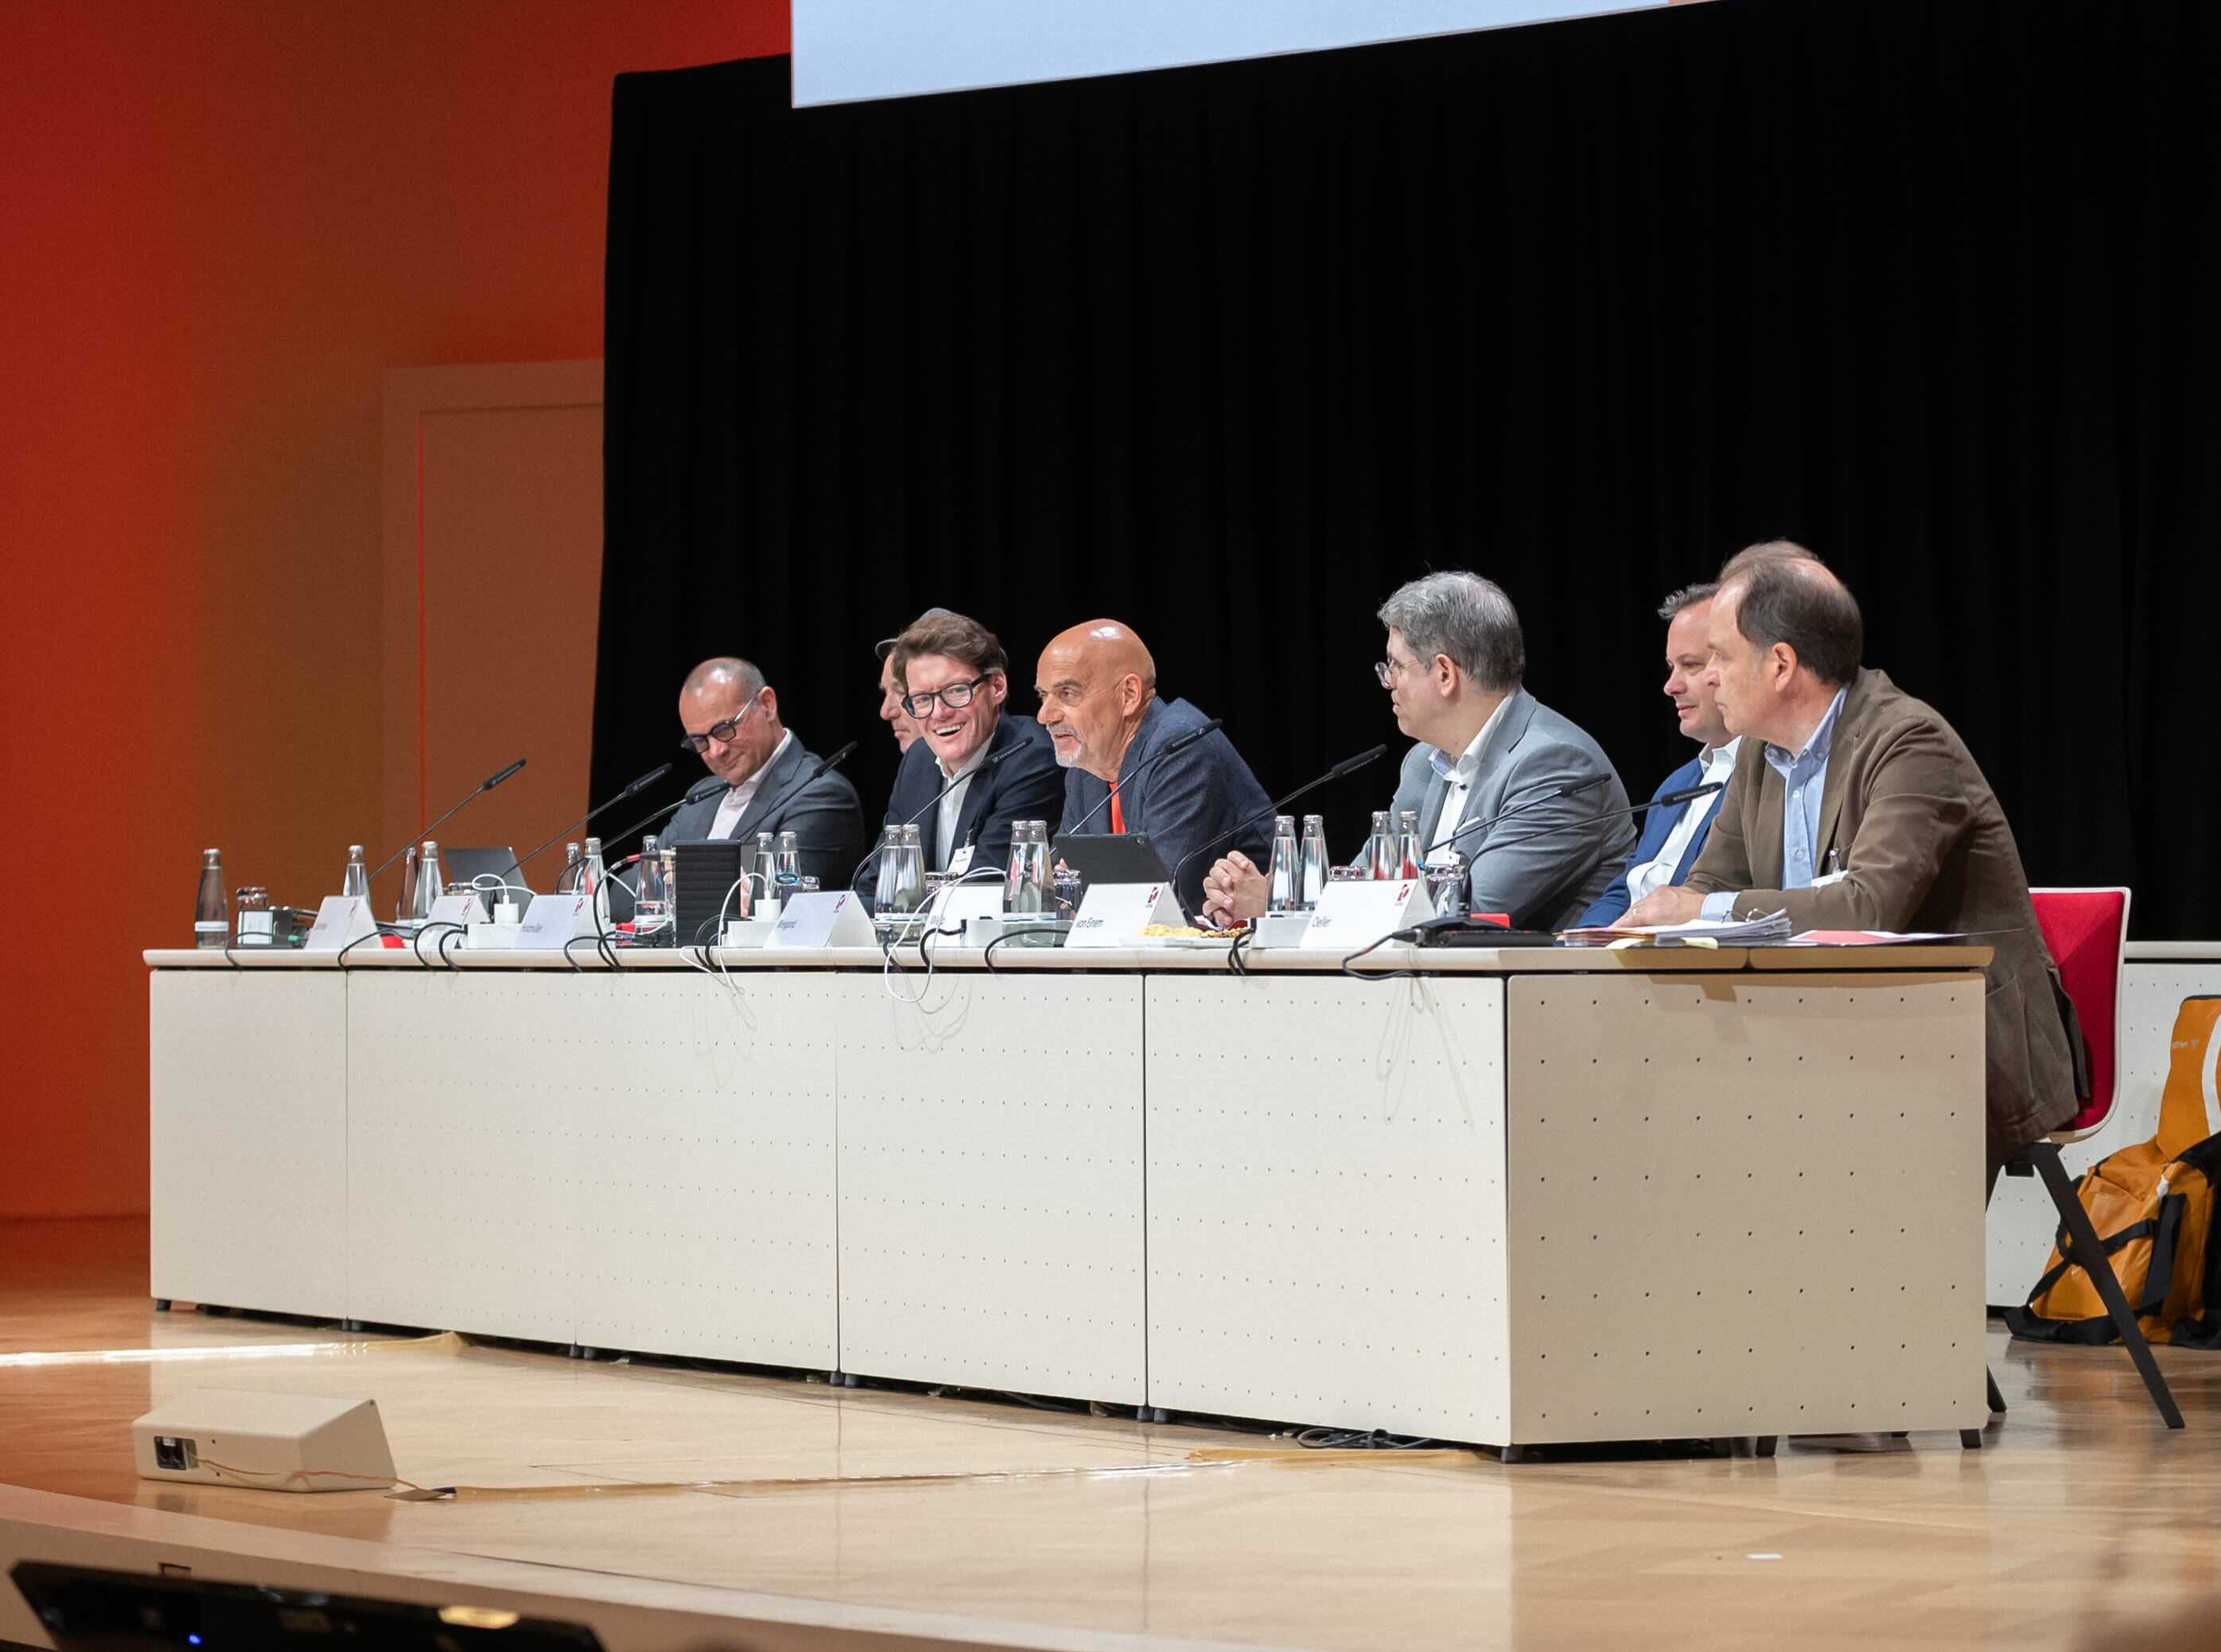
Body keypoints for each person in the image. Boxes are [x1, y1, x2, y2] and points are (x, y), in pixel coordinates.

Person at [1620, 552, 2080, 1165]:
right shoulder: (1756, 755)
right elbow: (1709, 880)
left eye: (1721, 660)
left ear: (1780, 664)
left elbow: (1867, 907)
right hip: (1824, 1032)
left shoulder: (1908, 742)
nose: (1707, 681)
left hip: (1956, 1042)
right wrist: (1683, 911)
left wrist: (1702, 909)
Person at [1200, 572, 1631, 930]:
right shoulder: (1424, 762)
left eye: (1396, 666)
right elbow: (1366, 884)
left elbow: (1463, 913)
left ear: (1444, 673)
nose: (1388, 682)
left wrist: (1283, 910)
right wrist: (1279, 896)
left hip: (1531, 1008)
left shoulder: (1555, 766)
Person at [1035, 620, 1272, 915]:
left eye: (1067, 693)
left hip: (1236, 952)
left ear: (1129, 695)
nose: (1044, 715)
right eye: (1043, 696)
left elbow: (1158, 897)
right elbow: (1058, 886)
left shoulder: (1180, 747)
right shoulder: (1085, 768)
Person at [1575, 581, 1742, 927]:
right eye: (1671, 667)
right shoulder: (1677, 784)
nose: (1671, 686)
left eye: (1691, 665)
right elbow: (1625, 889)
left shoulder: (1766, 781)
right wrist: (1586, 944)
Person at [881, 609, 1063, 880]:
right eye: (921, 699)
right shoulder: (918, 759)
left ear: (997, 687)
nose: (939, 713)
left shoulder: (1032, 758)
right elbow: (878, 881)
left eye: (956, 691)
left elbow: (982, 885)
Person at [664, 655, 866, 888]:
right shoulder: (700, 797)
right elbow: (626, 893)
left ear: (767, 705)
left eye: (724, 729)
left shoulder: (820, 794)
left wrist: (674, 881)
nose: (716, 751)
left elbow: (776, 896)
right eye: (700, 741)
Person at [877, 609, 949, 754]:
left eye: (902, 691)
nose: (885, 712)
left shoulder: (1005, 772)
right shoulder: (915, 769)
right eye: (886, 692)